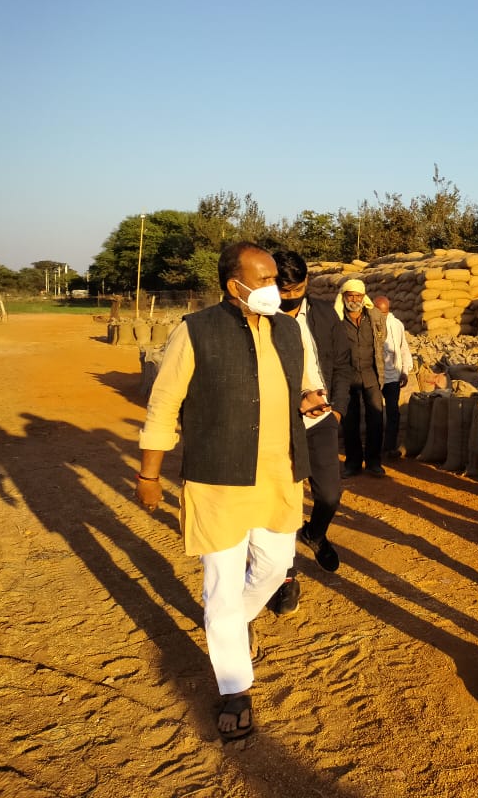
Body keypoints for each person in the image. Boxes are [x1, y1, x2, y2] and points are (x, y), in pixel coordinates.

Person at [135, 242, 328, 740]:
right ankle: (235, 686)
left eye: (274, 280)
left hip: (279, 476)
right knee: (221, 586)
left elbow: (298, 385)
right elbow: (163, 405)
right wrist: (148, 475)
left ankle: (232, 625)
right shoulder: (195, 332)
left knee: (273, 567)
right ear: (233, 286)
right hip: (217, 479)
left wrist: (308, 398)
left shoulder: (289, 330)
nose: (273, 288)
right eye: (262, 280)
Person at [268, 250, 355, 616]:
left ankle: (315, 534)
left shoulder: (322, 314)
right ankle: (286, 578)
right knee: (283, 504)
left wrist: (335, 409)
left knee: (330, 495)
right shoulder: (261, 320)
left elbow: (342, 364)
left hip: (320, 420)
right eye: (283, 289)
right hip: (278, 423)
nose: (291, 296)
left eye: (298, 288)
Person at [337, 278, 387, 478]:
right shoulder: (338, 318)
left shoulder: (373, 315)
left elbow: (381, 338)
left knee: (376, 418)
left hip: (371, 373)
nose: (355, 300)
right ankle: (353, 463)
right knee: (350, 421)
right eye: (351, 296)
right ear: (344, 297)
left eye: (358, 295)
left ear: (363, 296)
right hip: (347, 375)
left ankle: (374, 462)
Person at [372, 295, 412, 460]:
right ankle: (373, 449)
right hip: (375, 376)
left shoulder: (397, 325)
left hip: (393, 376)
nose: (383, 316)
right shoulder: (369, 323)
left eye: (385, 312)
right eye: (380, 313)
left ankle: (389, 448)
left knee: (393, 412)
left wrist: (405, 370)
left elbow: (403, 348)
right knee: (375, 413)